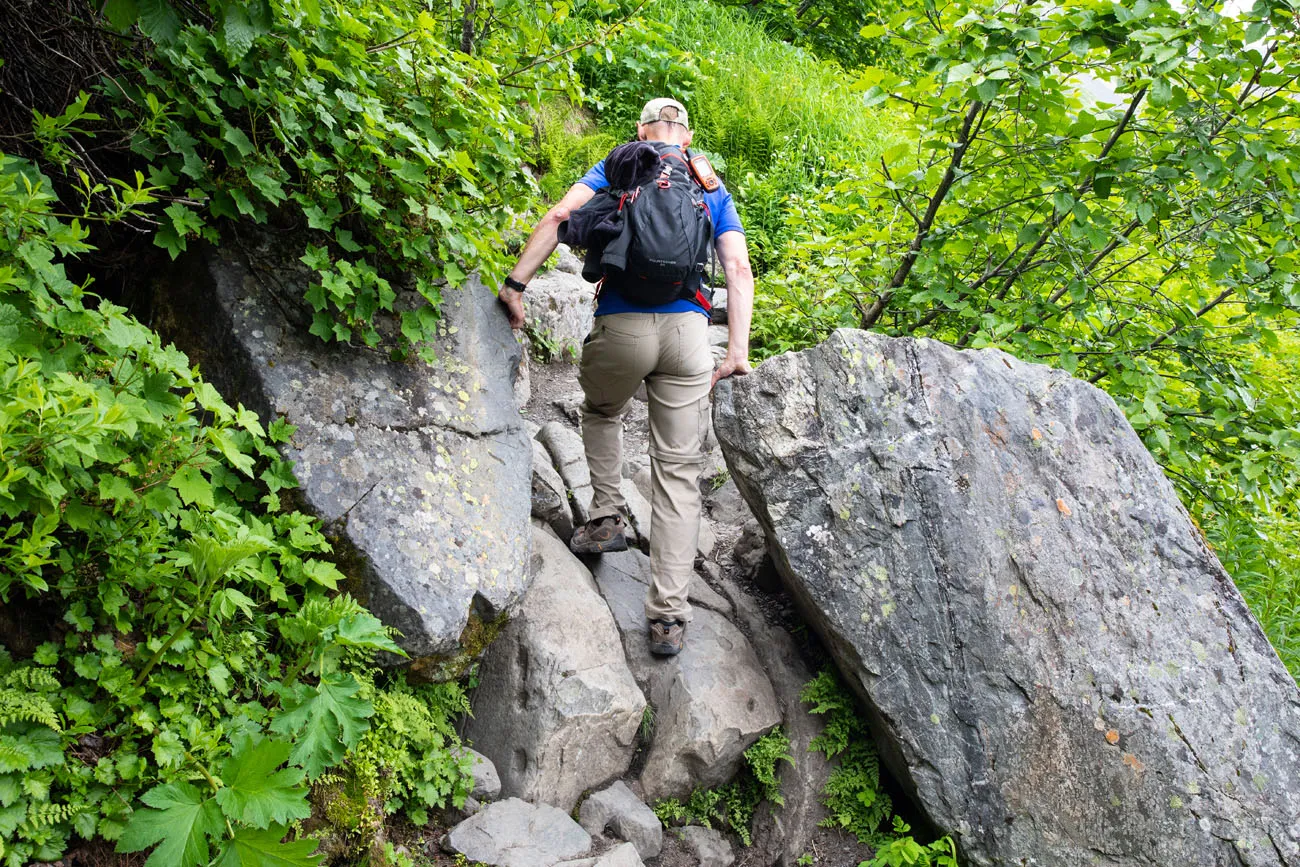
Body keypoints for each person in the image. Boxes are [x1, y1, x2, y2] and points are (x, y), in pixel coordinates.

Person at [499, 97, 754, 657]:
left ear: (641, 131)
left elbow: (559, 218)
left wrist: (516, 285)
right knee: (679, 475)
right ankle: (667, 617)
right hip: (689, 336)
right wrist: (735, 350)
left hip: (620, 327)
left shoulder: (619, 166)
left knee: (602, 411)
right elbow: (737, 266)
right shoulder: (707, 183)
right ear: (685, 137)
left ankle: (606, 514)